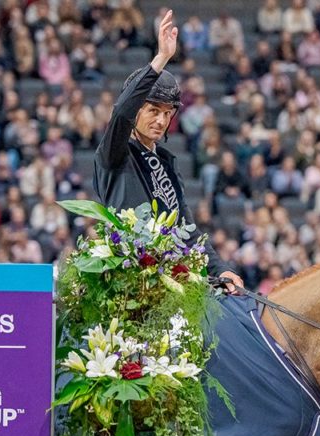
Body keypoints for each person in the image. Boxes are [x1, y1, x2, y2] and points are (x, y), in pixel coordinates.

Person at [93, 10, 243, 293]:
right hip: (129, 285)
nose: (161, 120)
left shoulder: (166, 163)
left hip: (170, 284)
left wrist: (219, 268)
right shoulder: (115, 152)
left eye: (167, 113)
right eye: (153, 111)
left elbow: (187, 229)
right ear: (136, 111)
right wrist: (161, 58)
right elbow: (121, 113)